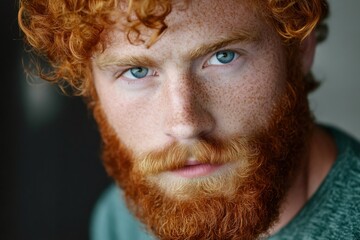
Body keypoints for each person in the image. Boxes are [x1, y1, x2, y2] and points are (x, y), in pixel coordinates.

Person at [17, 0, 360, 239]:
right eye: (137, 71)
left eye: (223, 57)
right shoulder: (120, 219)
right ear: (90, 83)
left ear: (300, 49)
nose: (185, 124)